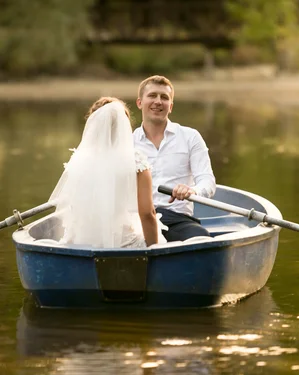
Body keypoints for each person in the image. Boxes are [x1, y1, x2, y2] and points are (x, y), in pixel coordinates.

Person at [49, 97, 167, 248]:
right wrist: (153, 248)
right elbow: (147, 213)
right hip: (122, 242)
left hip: (79, 241)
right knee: (158, 236)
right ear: (124, 127)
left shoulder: (78, 159)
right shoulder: (135, 160)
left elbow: (70, 208)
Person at [133, 75, 216, 242]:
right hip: (137, 220)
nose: (158, 101)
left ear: (170, 106)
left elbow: (207, 181)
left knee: (202, 240)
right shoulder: (127, 143)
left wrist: (193, 191)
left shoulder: (190, 136)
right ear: (139, 103)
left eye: (164, 97)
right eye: (152, 96)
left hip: (177, 219)